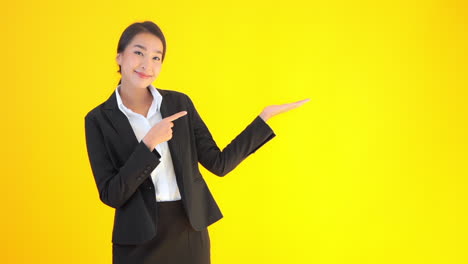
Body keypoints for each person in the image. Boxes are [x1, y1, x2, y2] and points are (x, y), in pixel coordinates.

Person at [84, 21, 309, 264]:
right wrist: (148, 144)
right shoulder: (98, 119)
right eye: (139, 52)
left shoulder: (180, 104)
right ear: (119, 56)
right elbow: (111, 194)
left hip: (188, 231)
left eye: (156, 58)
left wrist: (263, 119)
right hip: (137, 240)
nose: (147, 65)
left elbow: (218, 163)